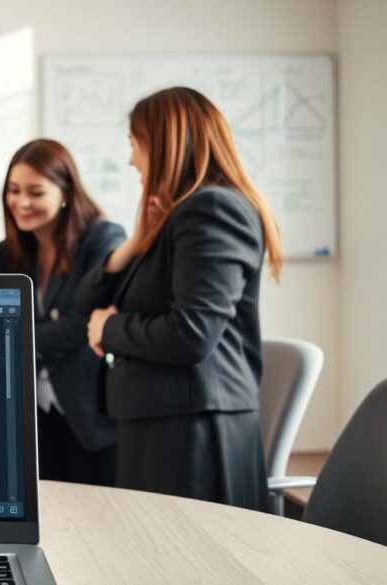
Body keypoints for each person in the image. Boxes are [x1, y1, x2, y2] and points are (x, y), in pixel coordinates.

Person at [75, 87, 283, 510]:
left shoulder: (212, 210)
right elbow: (85, 302)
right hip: (164, 423)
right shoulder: (178, 214)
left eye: (135, 144)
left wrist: (110, 328)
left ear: (165, 144)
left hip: (192, 434)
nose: (131, 159)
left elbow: (190, 334)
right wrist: (136, 241)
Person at [0, 139, 125, 485]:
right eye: (14, 190)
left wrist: (21, 337)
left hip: (90, 414)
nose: (21, 202)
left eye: (36, 192)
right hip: (34, 415)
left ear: (64, 191)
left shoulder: (101, 238)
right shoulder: (9, 252)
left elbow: (86, 323)